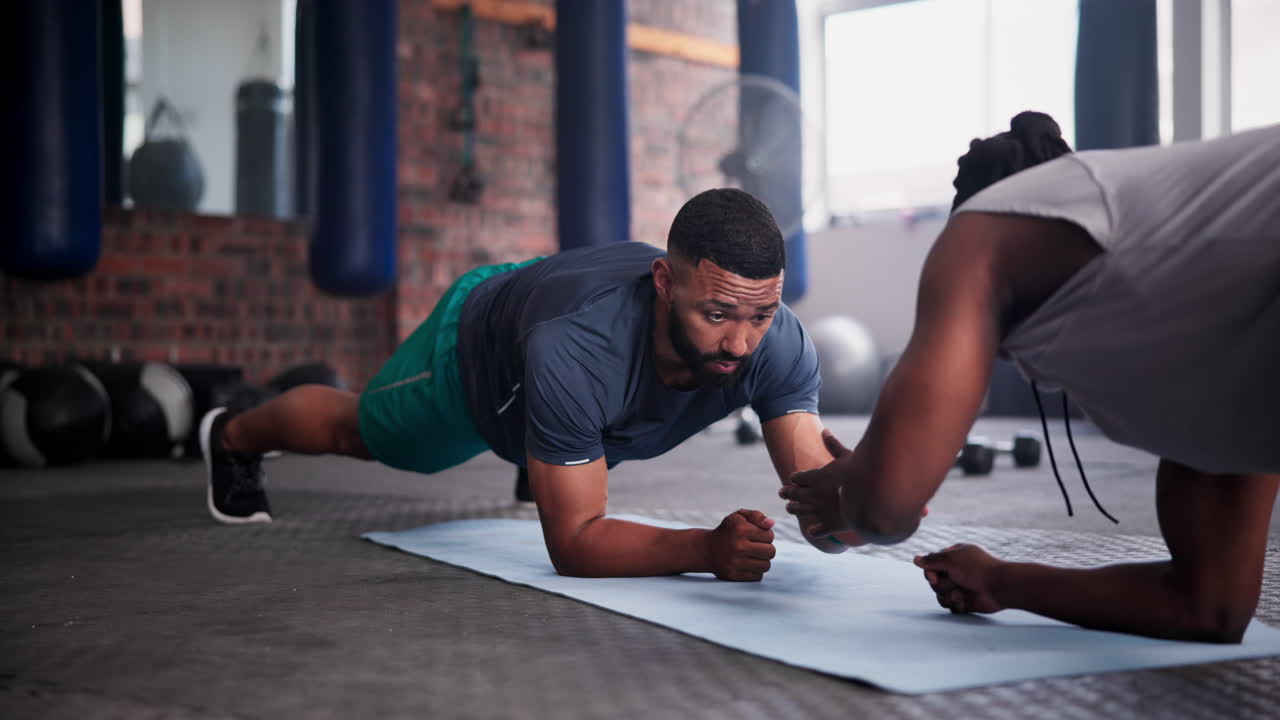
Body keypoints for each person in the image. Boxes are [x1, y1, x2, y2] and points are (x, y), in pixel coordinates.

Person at [780, 113, 1280, 642]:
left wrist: (847, 490)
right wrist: (1001, 580)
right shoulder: (1205, 355)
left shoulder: (982, 233)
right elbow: (1209, 609)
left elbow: (885, 509)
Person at [201, 188, 859, 580]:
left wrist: (866, 505)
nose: (741, 343)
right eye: (715, 315)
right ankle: (232, 434)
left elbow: (818, 506)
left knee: (578, 417)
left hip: (565, 329)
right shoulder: (574, 345)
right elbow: (574, 544)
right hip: (479, 353)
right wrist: (705, 549)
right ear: (665, 283)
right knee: (363, 433)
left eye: (760, 315)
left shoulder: (775, 340)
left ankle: (546, 454)